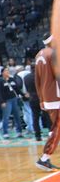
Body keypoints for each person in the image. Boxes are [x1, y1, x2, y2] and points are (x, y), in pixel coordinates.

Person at [33, 34, 60, 170]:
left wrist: (41, 99)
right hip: (56, 96)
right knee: (57, 128)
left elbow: (37, 80)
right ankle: (44, 158)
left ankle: (45, 157)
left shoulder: (39, 55)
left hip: (47, 97)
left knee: (56, 128)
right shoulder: (54, 54)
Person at [0, 68, 24, 139]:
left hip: (14, 99)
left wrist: (23, 94)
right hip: (6, 101)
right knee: (6, 116)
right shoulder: (0, 81)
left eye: (8, 71)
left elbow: (17, 89)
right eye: (6, 71)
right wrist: (2, 101)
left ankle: (19, 132)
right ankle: (5, 132)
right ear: (2, 72)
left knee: (17, 116)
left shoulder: (12, 79)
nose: (7, 72)